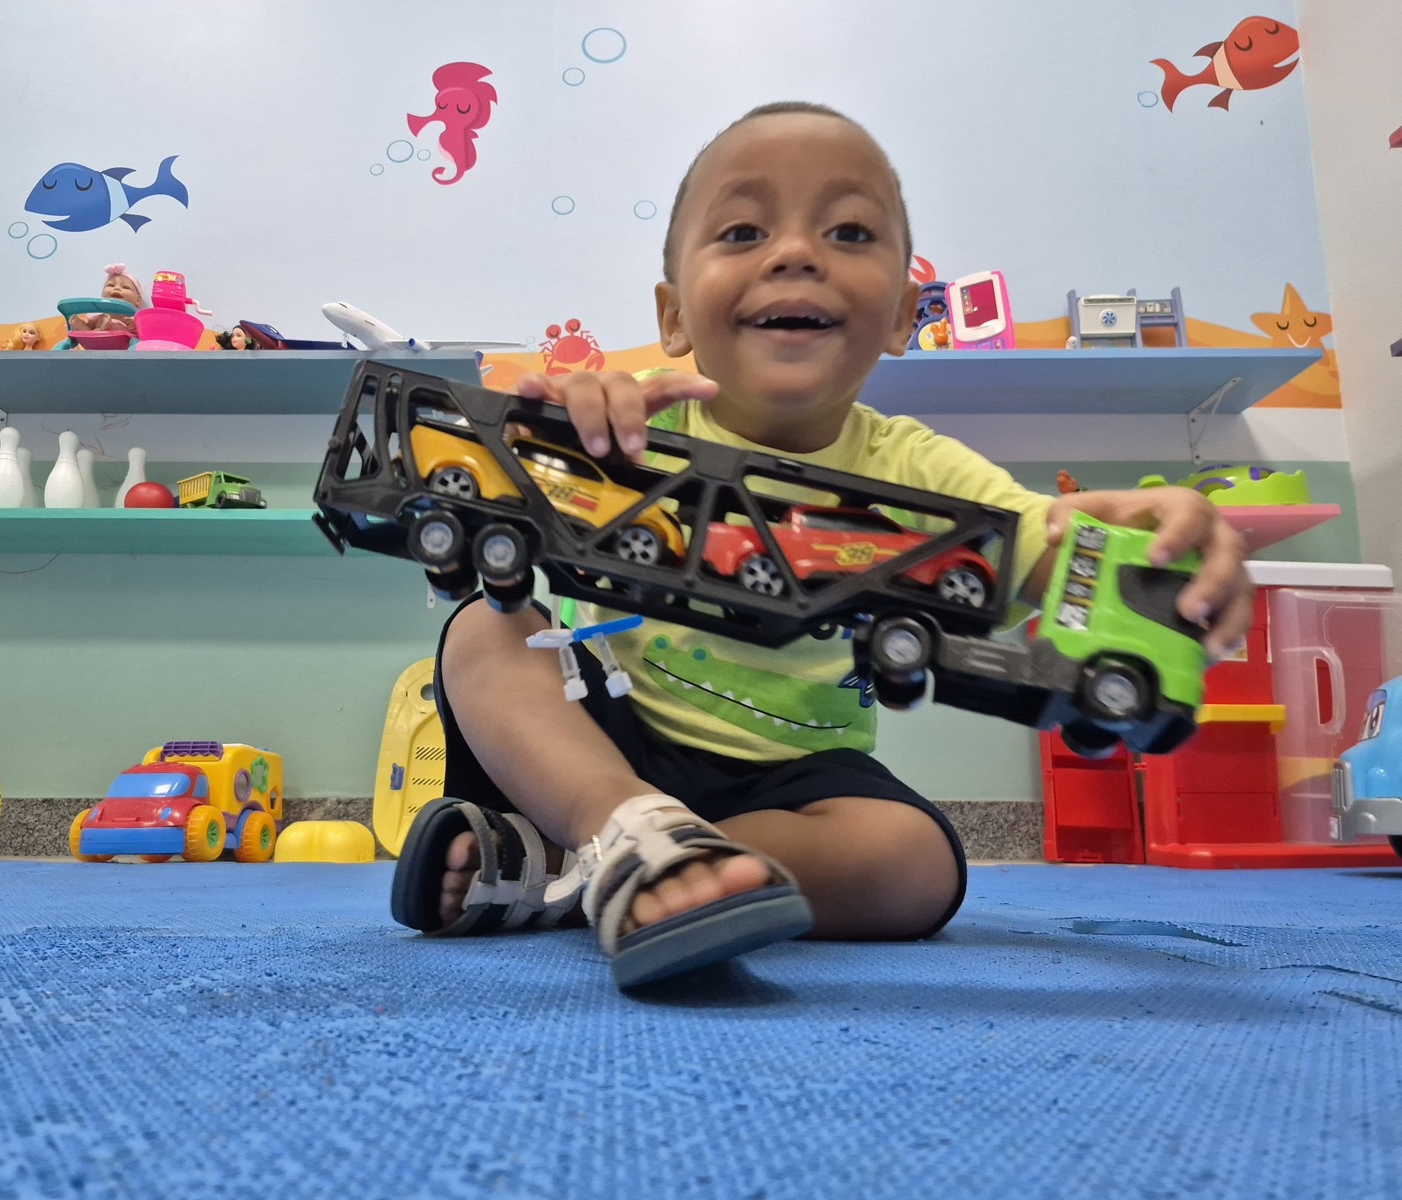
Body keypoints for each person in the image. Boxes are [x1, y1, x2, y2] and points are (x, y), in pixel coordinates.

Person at [389, 102, 1254, 991]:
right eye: (743, 231)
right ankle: (617, 829)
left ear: (902, 315)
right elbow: (511, 488)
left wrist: (1150, 551)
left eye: (848, 231)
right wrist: (562, 424)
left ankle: (577, 869)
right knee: (485, 631)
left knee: (916, 863)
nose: (797, 252)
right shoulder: (637, 414)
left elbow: (1054, 549)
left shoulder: (925, 471)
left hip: (794, 779)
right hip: (603, 732)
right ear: (674, 316)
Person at [68, 263, 143, 334]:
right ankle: (83, 328)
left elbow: (143, 332)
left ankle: (103, 328)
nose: (116, 288)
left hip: (121, 339)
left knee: (117, 325)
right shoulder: (100, 315)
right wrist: (84, 322)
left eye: (125, 287)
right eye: (111, 285)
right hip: (93, 337)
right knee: (90, 323)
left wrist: (134, 325)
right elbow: (90, 322)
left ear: (138, 300)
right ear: (102, 294)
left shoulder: (137, 317)